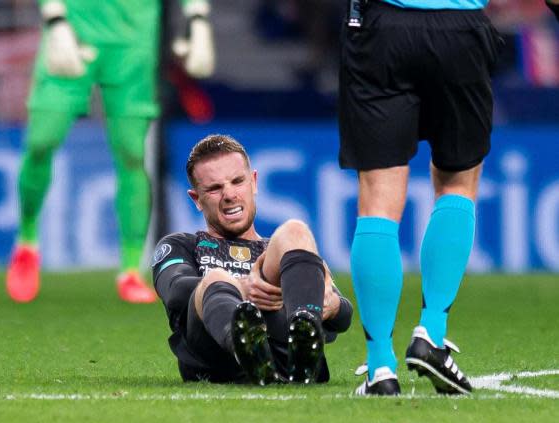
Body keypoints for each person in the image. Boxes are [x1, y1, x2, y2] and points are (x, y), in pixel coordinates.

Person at [339, 0, 502, 395]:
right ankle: (431, 334)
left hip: (381, 29)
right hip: (459, 28)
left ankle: (380, 368)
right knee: (458, 184)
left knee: (378, 201)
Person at [6, 0, 215, 303]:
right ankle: (27, 242)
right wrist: (54, 17)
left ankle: (131, 269)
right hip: (74, 26)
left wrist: (198, 17)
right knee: (41, 141)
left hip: (133, 40)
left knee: (132, 153)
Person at [152, 135, 353, 384]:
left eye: (238, 182)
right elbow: (176, 292)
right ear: (196, 199)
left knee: (296, 230)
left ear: (254, 182)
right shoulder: (181, 245)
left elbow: (344, 315)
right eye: (214, 188)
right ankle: (248, 352)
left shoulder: (281, 253)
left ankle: (303, 349)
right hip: (216, 359)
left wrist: (332, 306)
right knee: (215, 276)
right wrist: (240, 287)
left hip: (282, 348)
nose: (229, 195)